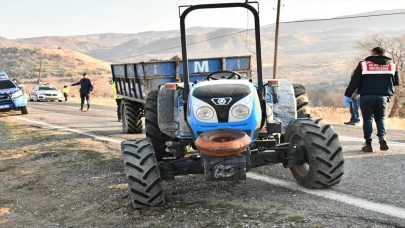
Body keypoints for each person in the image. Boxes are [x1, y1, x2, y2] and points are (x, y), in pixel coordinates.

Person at [344, 47, 401, 152]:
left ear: (373, 53)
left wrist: (348, 95)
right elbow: (397, 83)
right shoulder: (392, 66)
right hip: (383, 97)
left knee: (367, 120)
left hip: (366, 96)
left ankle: (368, 144)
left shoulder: (363, 64)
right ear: (384, 54)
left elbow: (355, 82)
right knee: (380, 118)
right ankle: (382, 137)